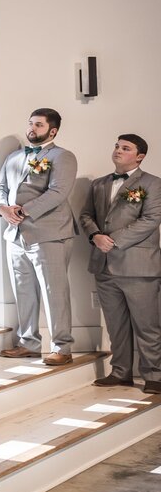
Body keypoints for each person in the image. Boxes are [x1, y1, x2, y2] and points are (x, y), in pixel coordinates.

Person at [0, 107, 78, 366]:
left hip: (50, 233)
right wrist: (2, 208)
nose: (32, 128)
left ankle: (62, 347)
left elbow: (58, 192)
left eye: (39, 125)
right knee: (23, 290)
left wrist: (23, 211)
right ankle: (28, 343)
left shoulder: (63, 156)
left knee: (55, 292)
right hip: (15, 235)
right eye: (30, 123)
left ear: (52, 130)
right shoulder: (15, 157)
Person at [79, 134, 161, 393]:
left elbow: (151, 219)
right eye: (116, 146)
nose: (118, 150)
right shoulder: (100, 184)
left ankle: (155, 375)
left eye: (125, 148)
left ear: (140, 156)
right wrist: (95, 236)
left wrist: (112, 241)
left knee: (147, 324)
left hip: (139, 267)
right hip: (104, 266)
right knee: (116, 324)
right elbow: (86, 215)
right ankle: (121, 372)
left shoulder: (153, 183)